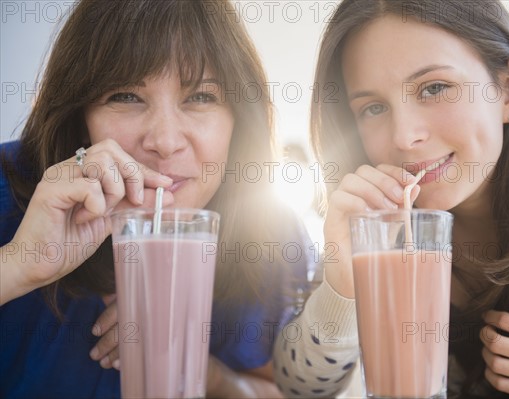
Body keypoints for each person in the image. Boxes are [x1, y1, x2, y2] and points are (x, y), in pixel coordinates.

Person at [272, 0, 509, 398]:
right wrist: (342, 284)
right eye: (373, 107)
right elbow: (298, 387)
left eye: (434, 87)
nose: (403, 136)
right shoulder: (377, 226)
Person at [0, 0, 313, 397]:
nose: (165, 142)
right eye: (126, 96)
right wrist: (18, 264)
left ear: (239, 119)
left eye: (200, 96)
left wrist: (201, 367)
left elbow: (277, 392)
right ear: (81, 117)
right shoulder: (10, 188)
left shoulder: (269, 234)